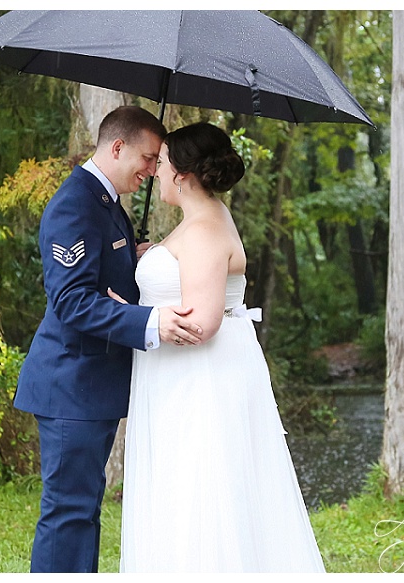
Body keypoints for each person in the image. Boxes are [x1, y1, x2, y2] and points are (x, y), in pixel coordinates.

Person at [116, 122, 326, 572]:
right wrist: (152, 255)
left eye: (164, 161)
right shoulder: (201, 220)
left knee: (199, 489)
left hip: (198, 380)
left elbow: (202, 322)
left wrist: (126, 313)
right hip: (178, 377)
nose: (155, 171)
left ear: (183, 174)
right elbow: (186, 266)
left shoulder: (206, 229)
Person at [14, 106, 203, 573]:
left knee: (84, 508)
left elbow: (102, 275)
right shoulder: (73, 205)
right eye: (148, 157)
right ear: (117, 147)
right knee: (68, 512)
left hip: (91, 386)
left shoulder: (105, 202)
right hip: (70, 384)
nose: (152, 170)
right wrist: (149, 323)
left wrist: (139, 258)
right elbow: (73, 302)